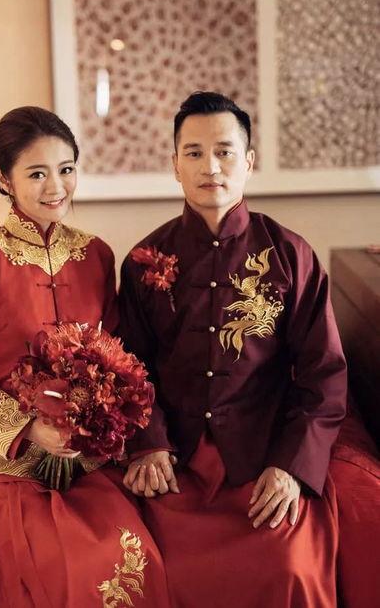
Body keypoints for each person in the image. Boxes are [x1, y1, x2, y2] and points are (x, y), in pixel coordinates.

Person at [0, 106, 170, 608]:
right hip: (4, 458)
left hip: (86, 456)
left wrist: (102, 424)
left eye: (66, 169)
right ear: (3, 179)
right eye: (37, 173)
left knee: (130, 556)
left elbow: (116, 354)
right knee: (59, 566)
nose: (56, 186)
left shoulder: (96, 254)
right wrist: (29, 429)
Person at [118, 92, 347, 607]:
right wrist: (148, 443)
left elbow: (325, 376)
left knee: (289, 570)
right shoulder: (143, 261)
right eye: (194, 153)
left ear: (248, 161)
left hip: (263, 457)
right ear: (175, 165)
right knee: (151, 569)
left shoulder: (291, 255)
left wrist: (292, 467)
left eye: (224, 151)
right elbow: (129, 367)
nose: (210, 167)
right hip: (176, 463)